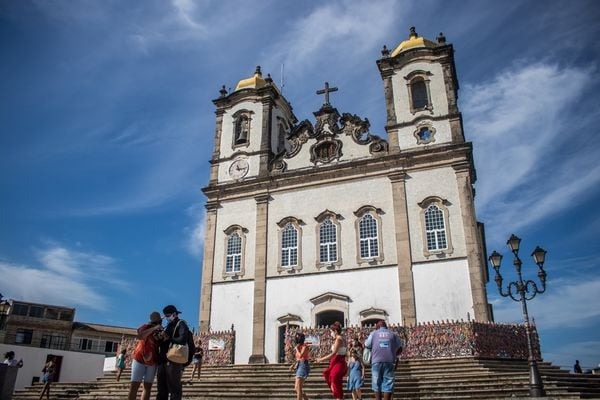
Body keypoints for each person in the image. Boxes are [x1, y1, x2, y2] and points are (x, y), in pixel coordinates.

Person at [156, 304, 192, 400]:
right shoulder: (168, 326)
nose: (167, 318)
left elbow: (182, 339)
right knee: (161, 389)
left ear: (174, 314)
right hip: (162, 360)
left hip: (174, 361)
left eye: (168, 316)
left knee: (174, 389)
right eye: (165, 316)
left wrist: (169, 338)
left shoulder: (181, 324)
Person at [129, 311, 163, 400]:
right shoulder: (145, 327)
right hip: (139, 359)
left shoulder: (160, 330)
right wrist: (153, 328)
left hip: (152, 361)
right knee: (134, 386)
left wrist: (162, 335)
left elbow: (161, 342)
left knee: (147, 387)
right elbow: (140, 336)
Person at [364, 320, 402, 400]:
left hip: (376, 361)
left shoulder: (374, 333)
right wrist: (394, 354)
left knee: (376, 383)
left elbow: (367, 345)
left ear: (377, 327)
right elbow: (400, 348)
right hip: (389, 361)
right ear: (386, 326)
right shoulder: (393, 334)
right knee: (388, 384)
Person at [316, 321, 347, 400]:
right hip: (336, 361)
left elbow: (333, 354)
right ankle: (338, 396)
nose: (331, 333)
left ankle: (338, 397)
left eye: (331, 331)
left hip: (339, 361)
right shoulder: (340, 338)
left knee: (334, 378)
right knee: (329, 375)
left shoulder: (339, 339)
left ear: (335, 331)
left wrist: (321, 359)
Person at [288, 332, 311, 400]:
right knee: (296, 388)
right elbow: (298, 359)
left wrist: (296, 349)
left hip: (303, 365)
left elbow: (301, 355)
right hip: (299, 365)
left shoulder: (305, 346)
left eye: (297, 337)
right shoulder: (299, 347)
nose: (296, 339)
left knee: (299, 388)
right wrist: (293, 365)